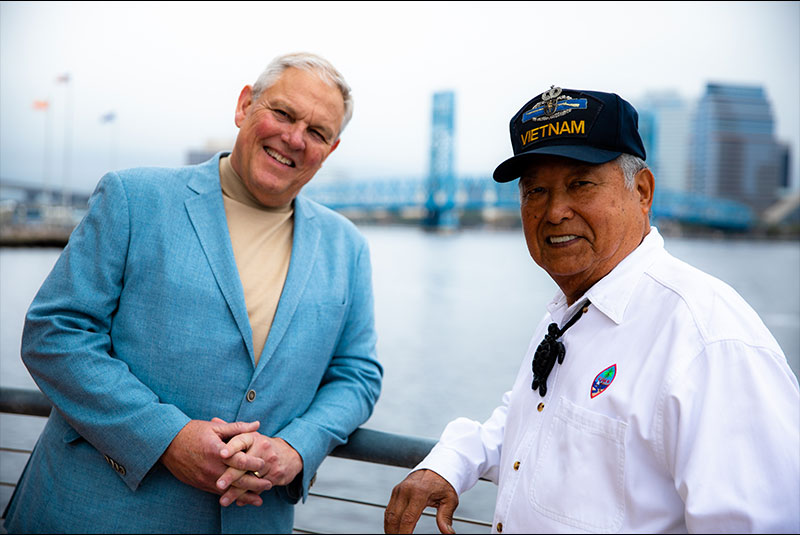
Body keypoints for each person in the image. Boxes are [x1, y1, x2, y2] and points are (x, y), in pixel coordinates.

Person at [384, 86, 800, 534]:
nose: (555, 211)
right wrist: (453, 460)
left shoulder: (706, 339)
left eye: (580, 184)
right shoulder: (572, 311)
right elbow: (539, 418)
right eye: (536, 190)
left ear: (642, 191)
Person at [3, 52, 383, 534]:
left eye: (317, 132)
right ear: (245, 105)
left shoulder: (347, 246)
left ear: (331, 149)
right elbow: (54, 334)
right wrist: (167, 438)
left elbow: (358, 374)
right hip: (94, 515)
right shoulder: (134, 198)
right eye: (283, 113)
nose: (294, 138)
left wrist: (297, 448)